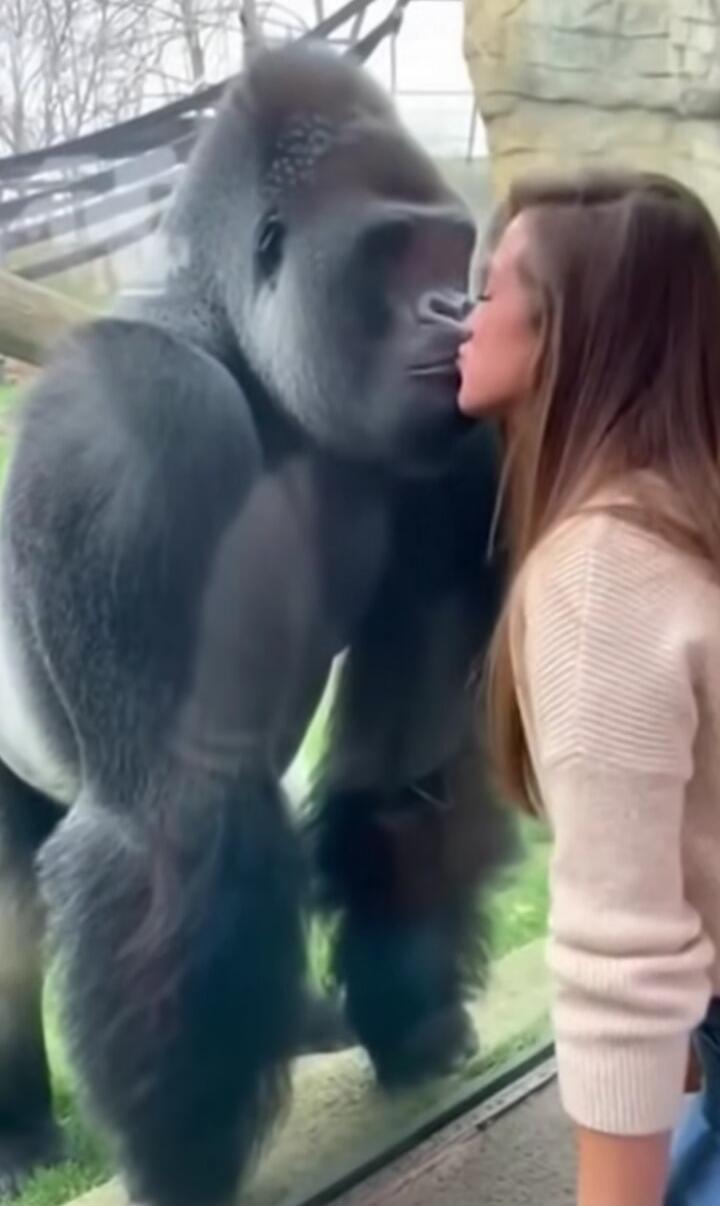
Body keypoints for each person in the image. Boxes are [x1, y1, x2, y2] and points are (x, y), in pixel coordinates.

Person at [456, 169, 720, 1206]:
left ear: (568, 331)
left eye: (490, 289)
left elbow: (622, 967)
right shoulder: (688, 516)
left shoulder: (605, 572)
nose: (464, 320)